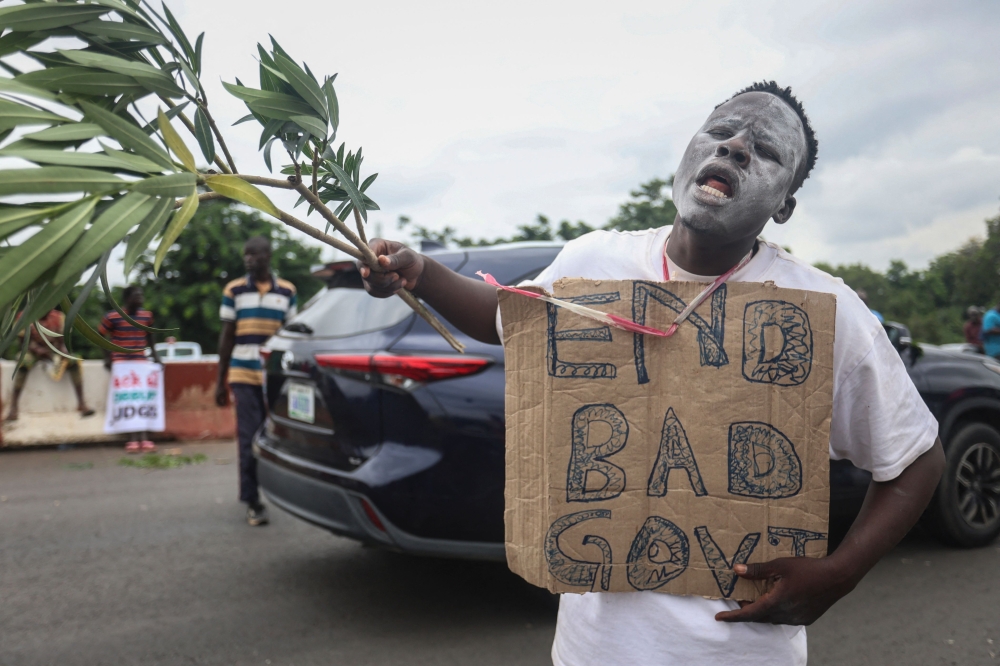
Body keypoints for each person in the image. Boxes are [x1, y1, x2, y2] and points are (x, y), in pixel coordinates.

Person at [359, 81, 945, 666]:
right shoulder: (594, 262)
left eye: (765, 151)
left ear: (784, 204)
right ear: (688, 154)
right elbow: (507, 318)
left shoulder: (822, 311)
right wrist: (421, 272)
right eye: (720, 133)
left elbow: (917, 458)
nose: (735, 146)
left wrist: (839, 574)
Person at [216, 237, 297, 527]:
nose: (248, 259)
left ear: (268, 255)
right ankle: (252, 499)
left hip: (274, 375)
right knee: (248, 436)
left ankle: (281, 492)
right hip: (242, 372)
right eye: (245, 254)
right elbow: (226, 336)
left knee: (274, 436)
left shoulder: (287, 291)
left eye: (254, 254)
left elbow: (289, 336)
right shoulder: (234, 289)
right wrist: (219, 380)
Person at [98, 286, 160, 452]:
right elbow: (100, 334)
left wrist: (155, 355)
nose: (140, 297)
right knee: (127, 400)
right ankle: (133, 439)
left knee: (142, 399)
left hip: (140, 362)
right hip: (121, 364)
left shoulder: (147, 316)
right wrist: (107, 357)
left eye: (141, 294)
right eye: (136, 295)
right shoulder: (112, 316)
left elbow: (150, 335)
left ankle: (144, 438)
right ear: (127, 298)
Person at [5, 309, 94, 422]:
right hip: (32, 351)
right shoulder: (24, 316)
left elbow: (62, 340)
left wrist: (63, 351)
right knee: (23, 363)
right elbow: (22, 343)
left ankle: (82, 404)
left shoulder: (58, 317)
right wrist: (38, 350)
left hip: (53, 351)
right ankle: (14, 407)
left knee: (74, 361)